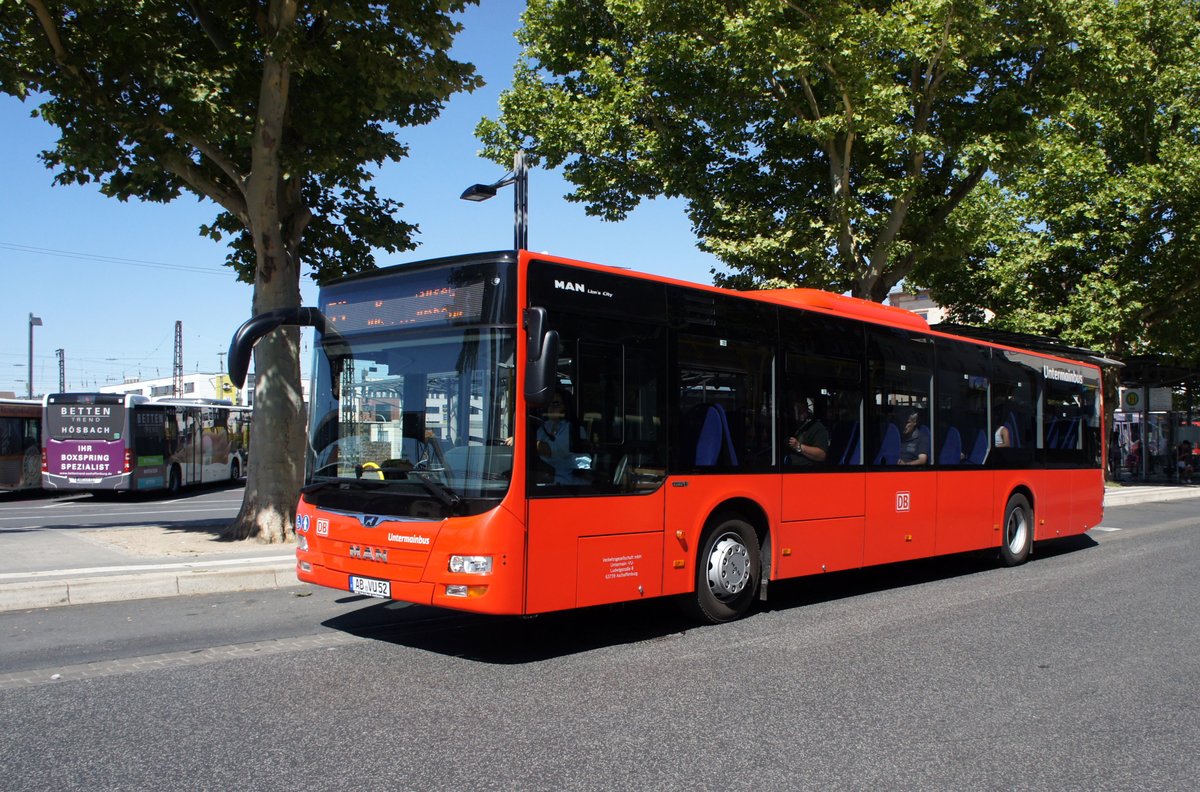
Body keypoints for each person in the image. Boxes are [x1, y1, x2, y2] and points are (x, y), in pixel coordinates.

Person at [534, 390, 591, 484]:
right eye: (549, 403)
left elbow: (549, 450)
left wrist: (521, 442)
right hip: (547, 478)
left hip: (567, 485)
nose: (551, 407)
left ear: (565, 407)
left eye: (555, 404)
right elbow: (534, 444)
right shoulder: (546, 425)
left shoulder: (574, 429)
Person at [785, 397, 828, 466]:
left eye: (801, 408)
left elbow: (822, 455)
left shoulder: (817, 427)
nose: (798, 412)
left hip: (807, 471)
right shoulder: (793, 426)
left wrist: (798, 446)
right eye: (795, 409)